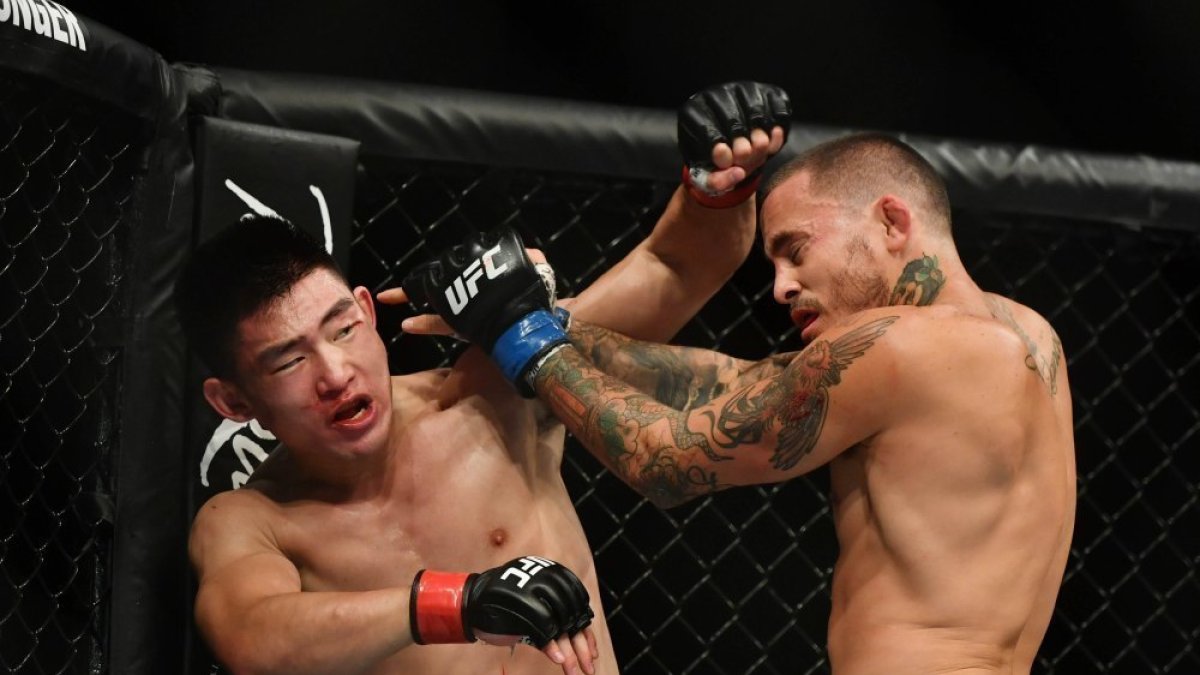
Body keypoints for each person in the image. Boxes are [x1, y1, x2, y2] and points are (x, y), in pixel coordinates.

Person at [174, 82, 791, 675]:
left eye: (341, 330)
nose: (335, 374)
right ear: (232, 400)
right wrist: (458, 603)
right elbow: (251, 636)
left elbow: (672, 267)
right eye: (289, 360)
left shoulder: (490, 391)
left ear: (366, 311)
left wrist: (718, 185)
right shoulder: (252, 519)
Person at [405, 132, 1077, 674]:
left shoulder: (899, 346)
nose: (780, 288)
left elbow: (667, 462)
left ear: (892, 220)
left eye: (795, 250)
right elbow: (728, 385)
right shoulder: (1026, 335)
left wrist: (525, 340)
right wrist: (548, 316)